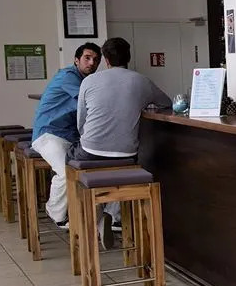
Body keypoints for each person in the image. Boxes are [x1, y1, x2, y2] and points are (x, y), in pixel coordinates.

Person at [73, 37, 172, 244]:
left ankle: (87, 222)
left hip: (90, 151)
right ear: (128, 57)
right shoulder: (142, 81)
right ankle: (112, 214)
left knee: (71, 157)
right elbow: (166, 103)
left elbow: (81, 122)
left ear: (106, 60)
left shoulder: (89, 81)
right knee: (125, 171)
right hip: (125, 154)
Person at [31, 42, 101, 228]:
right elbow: (89, 101)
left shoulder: (87, 81)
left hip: (70, 137)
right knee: (65, 172)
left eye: (95, 60)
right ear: (76, 60)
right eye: (87, 58)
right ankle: (56, 214)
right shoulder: (68, 76)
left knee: (94, 168)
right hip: (48, 134)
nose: (92, 63)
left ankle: (96, 217)